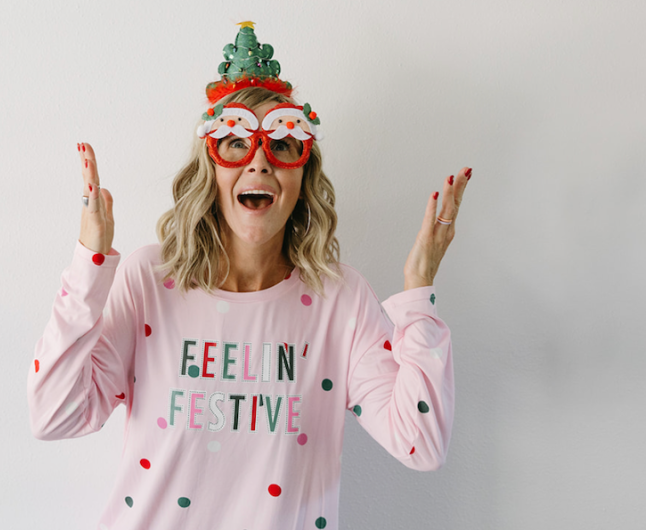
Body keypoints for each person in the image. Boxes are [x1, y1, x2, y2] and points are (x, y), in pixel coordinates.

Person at [28, 22, 469, 530]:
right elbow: (53, 416)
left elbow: (423, 442)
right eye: (235, 143)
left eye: (282, 146)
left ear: (303, 176)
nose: (259, 160)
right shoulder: (150, 280)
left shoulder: (339, 300)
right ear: (210, 169)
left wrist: (418, 292)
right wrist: (89, 266)